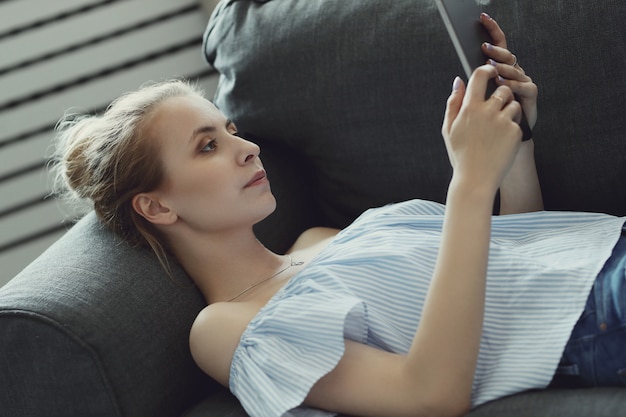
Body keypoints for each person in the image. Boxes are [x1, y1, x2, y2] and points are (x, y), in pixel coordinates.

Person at [52, 14, 625, 417]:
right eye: (207, 146)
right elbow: (428, 394)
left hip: (600, 253)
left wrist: (515, 147)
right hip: (603, 312)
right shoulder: (223, 329)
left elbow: (513, 262)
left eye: (230, 130)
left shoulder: (319, 237)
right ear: (156, 205)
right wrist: (470, 184)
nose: (246, 147)